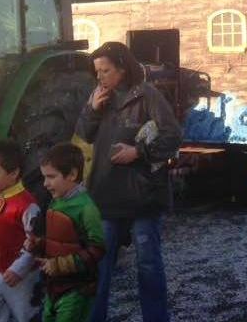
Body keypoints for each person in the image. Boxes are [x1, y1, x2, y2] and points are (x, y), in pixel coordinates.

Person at [77, 41, 182, 322]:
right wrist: (91, 110)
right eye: (97, 71)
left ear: (123, 69)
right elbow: (84, 135)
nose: (100, 77)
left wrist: (138, 152)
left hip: (143, 196)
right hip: (107, 196)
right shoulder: (99, 97)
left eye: (106, 70)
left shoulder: (148, 96)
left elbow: (173, 136)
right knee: (99, 267)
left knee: (148, 266)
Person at [26, 143, 106, 322]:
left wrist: (60, 265)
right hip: (54, 286)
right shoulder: (56, 202)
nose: (45, 184)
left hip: (77, 289)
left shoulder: (86, 209)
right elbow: (59, 241)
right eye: (44, 177)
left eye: (51, 177)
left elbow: (97, 249)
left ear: (72, 174)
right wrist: (39, 244)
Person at [0, 139, 41, 322]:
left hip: (22, 277)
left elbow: (36, 242)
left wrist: (18, 270)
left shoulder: (28, 205)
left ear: (14, 173)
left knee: (27, 316)